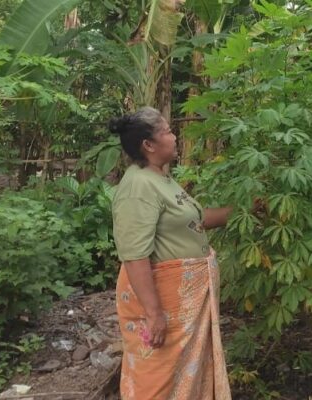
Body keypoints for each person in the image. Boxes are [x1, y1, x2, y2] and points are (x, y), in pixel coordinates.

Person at [109, 106, 232, 400]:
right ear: (148, 145)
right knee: (157, 377)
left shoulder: (160, 179)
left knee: (180, 375)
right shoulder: (138, 186)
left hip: (181, 302)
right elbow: (134, 254)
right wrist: (154, 314)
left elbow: (197, 220)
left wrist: (244, 210)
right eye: (166, 131)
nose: (175, 136)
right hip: (163, 303)